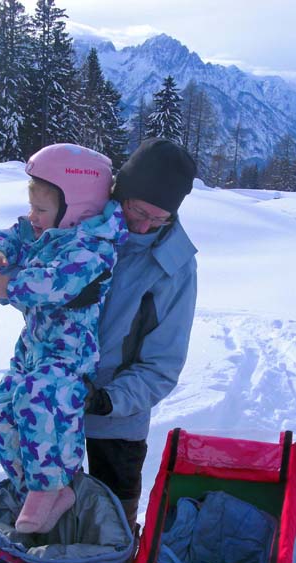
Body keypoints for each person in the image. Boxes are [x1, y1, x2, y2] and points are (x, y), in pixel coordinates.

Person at [0, 143, 128, 533]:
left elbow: (57, 283)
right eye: (33, 208)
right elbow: (12, 234)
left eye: (41, 210)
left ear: (76, 207)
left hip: (68, 358)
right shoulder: (46, 227)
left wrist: (11, 285)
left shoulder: (94, 247)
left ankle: (53, 488)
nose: (33, 217)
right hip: (31, 352)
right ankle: (31, 487)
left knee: (39, 399)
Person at [84, 137, 198, 530]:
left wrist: (106, 401)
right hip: (54, 406)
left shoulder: (175, 266)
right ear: (121, 191)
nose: (145, 225)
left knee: (112, 524)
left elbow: (162, 364)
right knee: (52, 512)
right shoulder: (84, 222)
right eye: (139, 211)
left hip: (119, 421)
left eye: (160, 218)